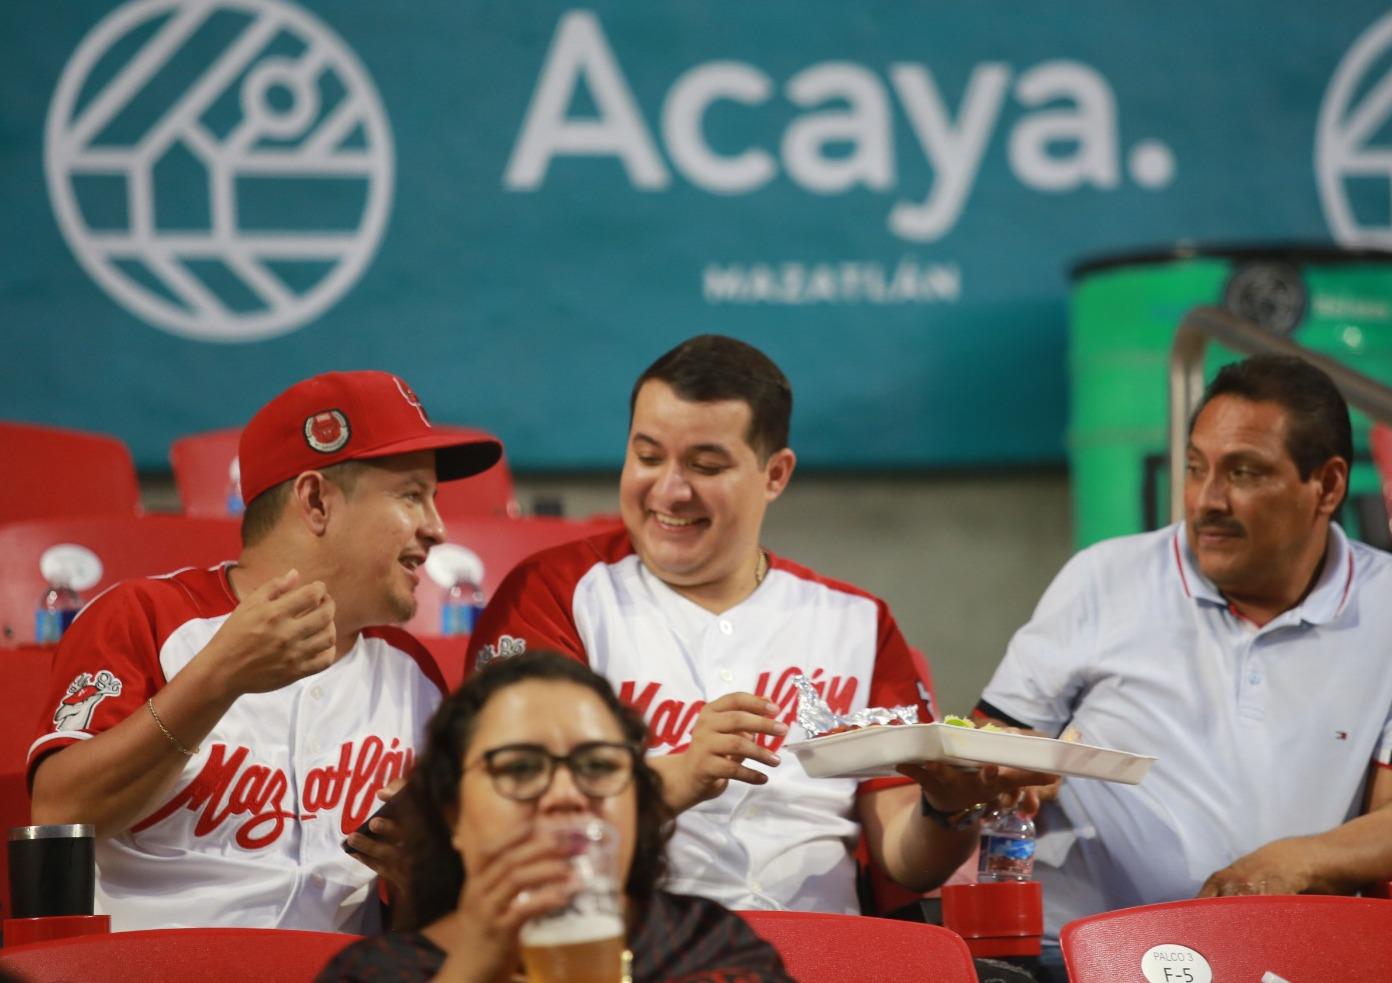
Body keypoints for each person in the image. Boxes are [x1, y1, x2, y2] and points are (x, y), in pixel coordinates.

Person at [466, 334, 1043, 914]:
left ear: (775, 475)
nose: (669, 489)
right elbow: (513, 814)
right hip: (625, 952)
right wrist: (678, 777)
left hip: (830, 959)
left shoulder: (856, 621)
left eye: (706, 465)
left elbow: (905, 861)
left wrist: (949, 809)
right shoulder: (553, 594)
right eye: (647, 457)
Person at [976, 354, 1392, 972]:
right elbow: (991, 747)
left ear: (1327, 486)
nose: (1207, 499)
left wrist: (1284, 865)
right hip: (1085, 957)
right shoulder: (1101, 578)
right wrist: (1012, 774)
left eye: (1244, 472)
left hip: (1281, 957)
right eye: (1195, 468)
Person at [28, 370, 503, 933]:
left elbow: (431, 924)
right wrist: (219, 679)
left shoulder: (410, 671)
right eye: (411, 496)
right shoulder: (144, 618)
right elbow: (59, 817)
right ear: (316, 501)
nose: (437, 529)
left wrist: (417, 877)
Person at [316, 650, 792, 982]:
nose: (565, 796)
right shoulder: (374, 973)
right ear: (453, 814)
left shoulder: (710, 948)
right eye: (520, 768)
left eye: (599, 766)